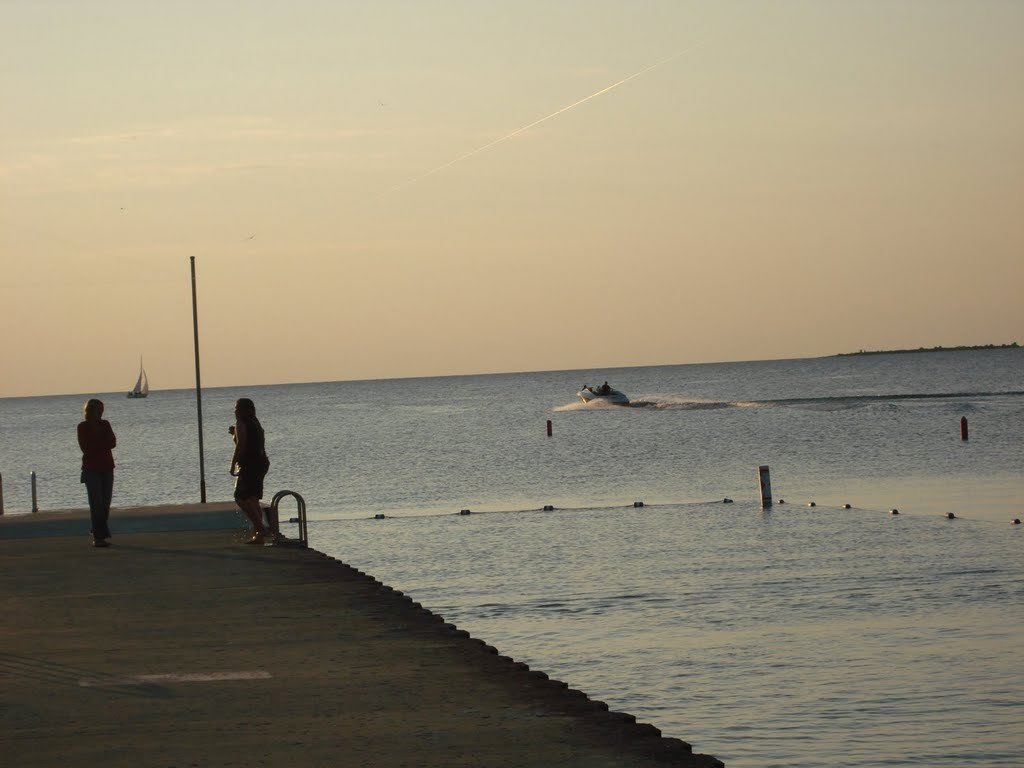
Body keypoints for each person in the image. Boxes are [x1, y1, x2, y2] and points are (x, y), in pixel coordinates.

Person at [230, 398, 274, 545]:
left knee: (240, 497)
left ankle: (261, 528)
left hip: (250, 465)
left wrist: (232, 464)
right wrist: (235, 436)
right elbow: (254, 442)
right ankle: (259, 535)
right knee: (253, 498)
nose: (234, 411)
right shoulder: (255, 422)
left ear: (242, 409)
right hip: (261, 463)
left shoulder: (241, 422)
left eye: (237, 408)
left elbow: (241, 446)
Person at [78, 398, 116, 548]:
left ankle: (97, 530)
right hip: (91, 468)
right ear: (90, 411)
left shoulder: (105, 424)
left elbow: (113, 442)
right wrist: (103, 444)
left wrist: (99, 444)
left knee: (105, 502)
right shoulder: (83, 427)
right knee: (96, 503)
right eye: (98, 409)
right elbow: (86, 447)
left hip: (107, 467)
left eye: (102, 409)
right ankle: (98, 537)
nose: (101, 412)